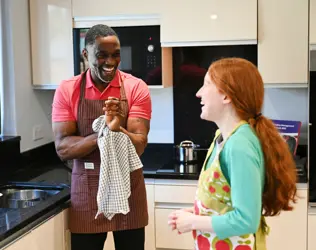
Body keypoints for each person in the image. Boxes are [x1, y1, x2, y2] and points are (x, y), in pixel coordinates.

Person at [168, 58, 298, 250]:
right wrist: (196, 213)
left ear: (226, 96)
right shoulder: (222, 137)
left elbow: (246, 220)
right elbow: (223, 202)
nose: (198, 93)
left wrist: (193, 222)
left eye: (206, 85)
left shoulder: (240, 145)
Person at [52, 24, 152, 250]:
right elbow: (63, 149)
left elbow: (139, 144)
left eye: (116, 55)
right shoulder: (68, 90)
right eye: (102, 55)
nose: (110, 62)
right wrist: (103, 133)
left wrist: (118, 130)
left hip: (129, 190)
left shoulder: (136, 88)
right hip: (87, 190)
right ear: (86, 55)